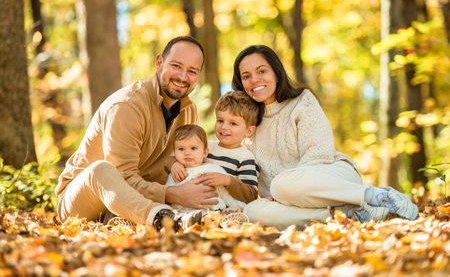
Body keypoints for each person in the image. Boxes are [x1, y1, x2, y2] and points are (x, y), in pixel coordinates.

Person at [231, 45, 419, 230]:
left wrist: (288, 192)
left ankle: (376, 196)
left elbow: (319, 156)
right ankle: (343, 214)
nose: (254, 80)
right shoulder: (248, 127)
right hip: (292, 197)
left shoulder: (302, 101)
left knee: (281, 185)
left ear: (276, 73)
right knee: (253, 212)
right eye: (246, 76)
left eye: (261, 71)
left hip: (333, 178)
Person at [55, 36, 218, 231]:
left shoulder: (189, 111)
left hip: (139, 201)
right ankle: (165, 220)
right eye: (176, 66)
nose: (183, 77)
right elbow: (123, 177)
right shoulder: (126, 106)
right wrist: (173, 194)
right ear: (159, 62)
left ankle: (127, 218)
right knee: (102, 170)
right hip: (83, 201)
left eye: (192, 71)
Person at [170, 90, 260, 209]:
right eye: (220, 120)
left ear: (248, 131)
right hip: (198, 201)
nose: (224, 127)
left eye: (233, 123)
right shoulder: (207, 147)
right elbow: (183, 154)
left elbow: (251, 195)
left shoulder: (245, 157)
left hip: (227, 209)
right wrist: (175, 164)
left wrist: (227, 180)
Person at [166, 124, 247, 210]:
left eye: (193, 148)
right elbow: (169, 197)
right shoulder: (175, 173)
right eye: (181, 149)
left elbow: (224, 193)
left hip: (214, 210)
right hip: (185, 213)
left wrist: (237, 206)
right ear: (174, 153)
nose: (187, 153)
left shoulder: (212, 170)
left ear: (205, 152)